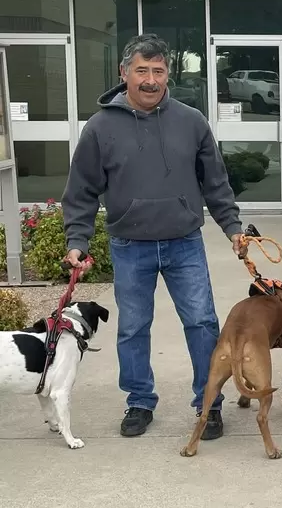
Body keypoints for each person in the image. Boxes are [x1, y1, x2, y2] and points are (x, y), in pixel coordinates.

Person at [62, 33, 246, 439]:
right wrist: (78, 241)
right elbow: (82, 192)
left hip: (184, 242)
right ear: (124, 73)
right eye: (141, 70)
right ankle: (139, 401)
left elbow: (215, 183)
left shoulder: (191, 121)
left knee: (201, 322)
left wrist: (232, 227)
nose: (150, 80)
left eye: (158, 71)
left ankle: (210, 402)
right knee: (133, 327)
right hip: (130, 245)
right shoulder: (100, 127)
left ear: (168, 75)